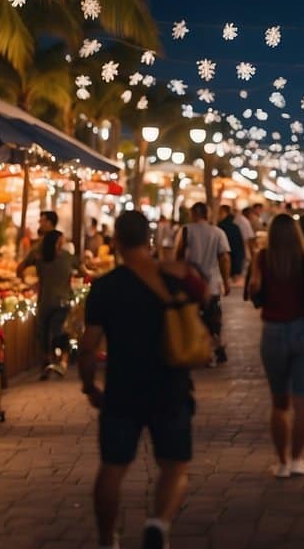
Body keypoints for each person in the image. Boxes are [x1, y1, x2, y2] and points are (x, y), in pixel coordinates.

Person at [79, 211, 205, 549]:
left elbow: (88, 345)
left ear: (116, 241)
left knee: (112, 467)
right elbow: (203, 299)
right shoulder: (175, 277)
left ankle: (107, 539)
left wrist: (89, 385)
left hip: (123, 386)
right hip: (171, 384)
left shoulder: (105, 286)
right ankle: (158, 524)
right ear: (149, 239)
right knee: (175, 466)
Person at [246, 213, 304, 478]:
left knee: (279, 403)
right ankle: (297, 459)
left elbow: (253, 288)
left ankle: (281, 462)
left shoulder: (263, 258)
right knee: (303, 404)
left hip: (273, 333)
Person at [175, 203, 231, 366]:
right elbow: (224, 258)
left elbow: (179, 255)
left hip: (190, 284)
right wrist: (226, 281)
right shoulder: (218, 232)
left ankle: (205, 352)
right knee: (213, 320)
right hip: (212, 285)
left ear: (194, 214)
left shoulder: (186, 230)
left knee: (194, 318)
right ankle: (216, 351)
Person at [17, 229, 77, 379]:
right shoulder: (67, 257)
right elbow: (83, 271)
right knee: (61, 332)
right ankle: (62, 361)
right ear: (58, 243)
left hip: (45, 301)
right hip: (63, 301)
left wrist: (26, 283)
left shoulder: (38, 255)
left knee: (43, 333)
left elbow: (20, 268)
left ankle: (47, 362)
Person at [218, 205, 246, 280]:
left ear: (225, 212)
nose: (218, 215)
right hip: (234, 266)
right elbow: (239, 248)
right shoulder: (234, 227)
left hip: (224, 266)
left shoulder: (221, 227)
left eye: (220, 212)